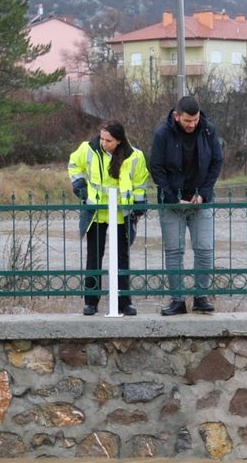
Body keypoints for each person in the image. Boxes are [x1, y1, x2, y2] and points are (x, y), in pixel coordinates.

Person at [148, 94, 224, 315]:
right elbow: (157, 168)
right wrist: (172, 198)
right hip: (172, 203)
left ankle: (201, 297)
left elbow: (217, 161)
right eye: (187, 120)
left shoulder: (208, 130)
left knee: (204, 250)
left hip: (201, 201)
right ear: (176, 116)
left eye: (195, 119)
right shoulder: (162, 134)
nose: (192, 124)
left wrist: (204, 192)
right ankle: (177, 300)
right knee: (174, 251)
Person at [66, 120, 147, 317]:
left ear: (119, 141)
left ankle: (124, 302)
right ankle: (91, 302)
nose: (103, 142)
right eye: (102, 138)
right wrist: (80, 187)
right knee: (94, 257)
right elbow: (73, 164)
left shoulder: (135, 156)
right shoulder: (89, 149)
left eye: (108, 140)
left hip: (122, 213)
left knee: (122, 258)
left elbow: (140, 183)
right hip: (96, 211)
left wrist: (138, 209)